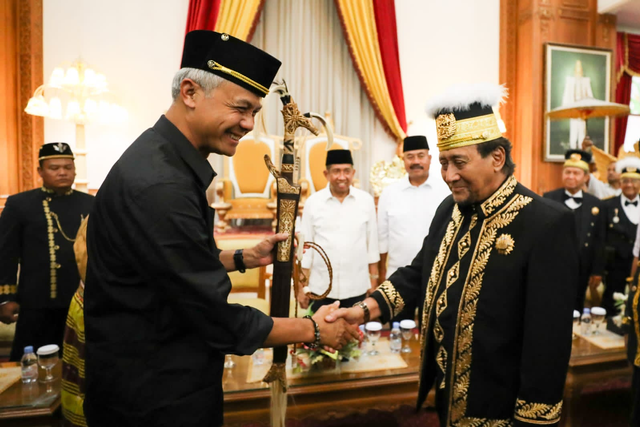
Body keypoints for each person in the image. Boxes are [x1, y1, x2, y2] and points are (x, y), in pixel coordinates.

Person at [83, 30, 357, 427]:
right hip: (154, 396)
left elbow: (167, 268)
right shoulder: (161, 186)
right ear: (190, 92)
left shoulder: (163, 160)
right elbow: (214, 318)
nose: (248, 125)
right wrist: (311, 329)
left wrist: (241, 257)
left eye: (254, 113)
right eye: (241, 109)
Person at [326, 83, 578, 426]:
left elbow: (548, 343)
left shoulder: (546, 224)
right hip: (449, 400)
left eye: (459, 162)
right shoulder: (451, 208)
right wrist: (363, 309)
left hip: (500, 411)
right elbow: (420, 272)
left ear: (497, 158)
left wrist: (532, 420)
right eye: (443, 162)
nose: (448, 176)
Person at [0, 143, 94, 361]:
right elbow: (6, 254)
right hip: (36, 301)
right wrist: (5, 298)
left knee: (80, 362)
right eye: (54, 167)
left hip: (79, 299)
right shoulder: (19, 204)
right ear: (40, 171)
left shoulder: (90, 203)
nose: (62, 172)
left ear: (74, 170)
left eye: (67, 167)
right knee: (31, 363)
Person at [297, 149, 379, 311]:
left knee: (356, 335)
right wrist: (302, 286)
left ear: (353, 173)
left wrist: (374, 281)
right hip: (321, 288)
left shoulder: (366, 201)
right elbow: (306, 250)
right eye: (336, 171)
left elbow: (372, 245)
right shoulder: (313, 203)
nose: (342, 177)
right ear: (326, 174)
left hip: (357, 287)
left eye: (346, 171)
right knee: (323, 334)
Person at [377, 135, 446, 282]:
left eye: (421, 156)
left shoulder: (446, 191)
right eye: (410, 157)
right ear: (403, 160)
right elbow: (382, 238)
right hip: (398, 274)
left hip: (436, 273)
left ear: (429, 158)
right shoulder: (389, 193)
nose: (416, 161)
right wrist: (380, 273)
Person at [544, 149, 605, 310]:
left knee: (576, 306)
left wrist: (597, 270)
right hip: (553, 264)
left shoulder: (596, 204)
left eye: (576, 173)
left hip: (582, 267)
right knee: (551, 304)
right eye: (567, 172)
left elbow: (600, 240)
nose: (570, 176)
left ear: (586, 177)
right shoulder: (549, 198)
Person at [602, 156, 640, 315]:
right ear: (620, 183)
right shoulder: (607, 205)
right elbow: (601, 238)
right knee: (611, 309)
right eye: (625, 181)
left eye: (634, 180)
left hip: (638, 267)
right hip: (614, 268)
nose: (629, 184)